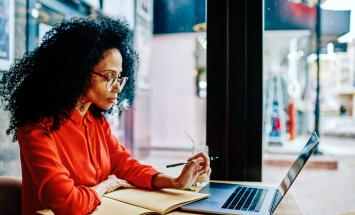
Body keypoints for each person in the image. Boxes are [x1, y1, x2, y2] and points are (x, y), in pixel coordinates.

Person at [0, 16, 210, 215]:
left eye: (119, 78)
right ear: (77, 72)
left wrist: (175, 182)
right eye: (109, 77)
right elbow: (69, 204)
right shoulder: (37, 127)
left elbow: (126, 166)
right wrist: (105, 186)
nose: (118, 87)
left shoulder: (96, 121)